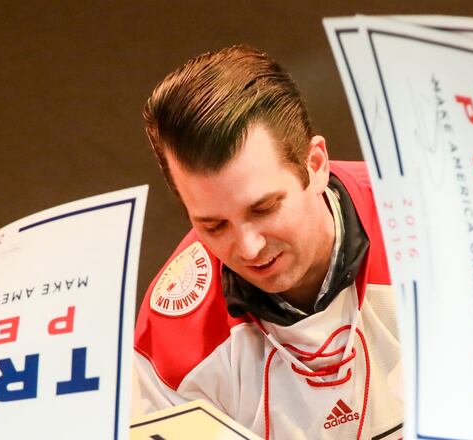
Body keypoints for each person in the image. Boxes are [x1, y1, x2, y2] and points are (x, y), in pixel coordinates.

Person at [131, 45, 403, 440]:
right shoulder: (172, 347)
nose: (248, 248)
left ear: (315, 165)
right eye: (214, 225)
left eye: (264, 209)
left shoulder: (432, 235)